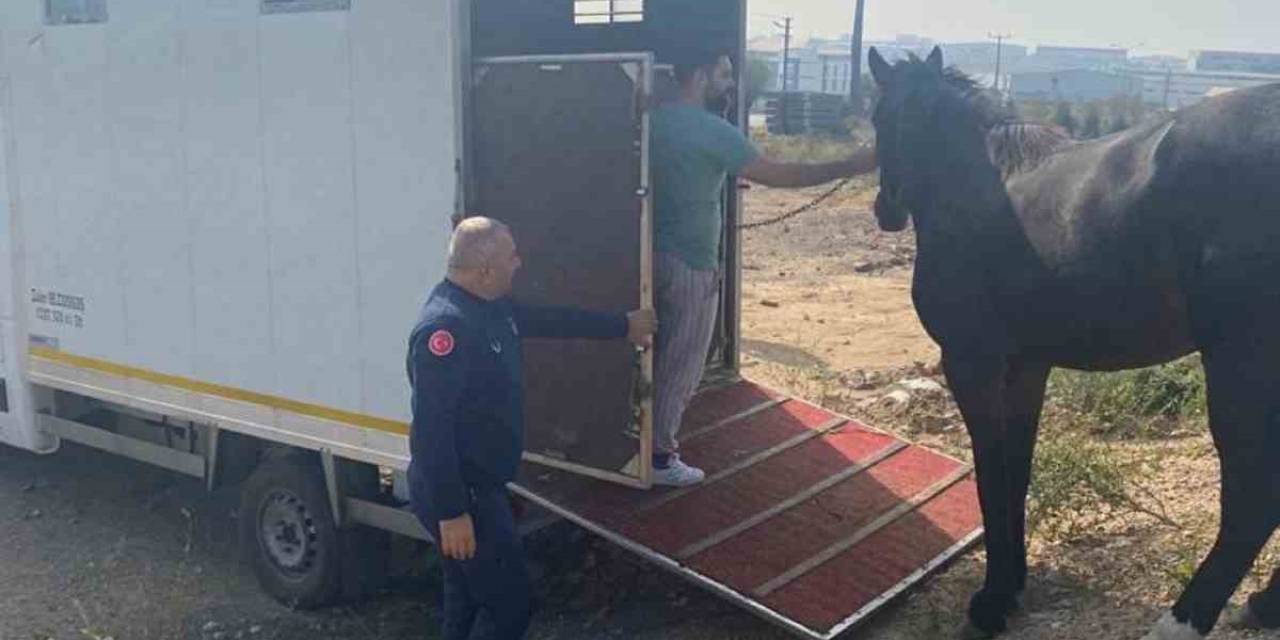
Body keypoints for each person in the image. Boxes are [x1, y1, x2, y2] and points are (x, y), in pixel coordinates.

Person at [406, 217, 656, 639]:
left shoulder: (487, 305)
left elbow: (551, 320)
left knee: (466, 600)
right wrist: (453, 513)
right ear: (484, 270)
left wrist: (622, 325)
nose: (519, 263)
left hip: (478, 489)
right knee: (509, 607)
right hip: (462, 496)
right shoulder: (446, 330)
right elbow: (432, 433)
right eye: (511, 256)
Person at [649, 50, 879, 486]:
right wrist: (851, 164)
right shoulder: (714, 131)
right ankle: (660, 458)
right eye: (723, 74)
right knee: (680, 362)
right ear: (697, 75)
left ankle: (634, 443)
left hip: (644, 256)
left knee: (646, 353)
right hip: (692, 262)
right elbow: (781, 174)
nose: (731, 83)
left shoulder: (653, 121)